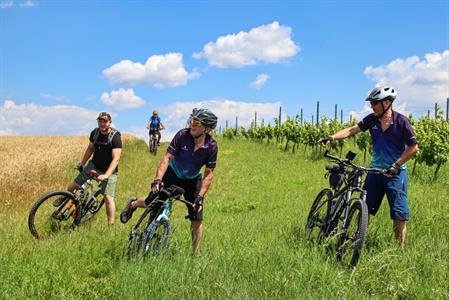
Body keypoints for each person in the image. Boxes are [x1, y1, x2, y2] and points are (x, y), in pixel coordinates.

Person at [318, 86, 418, 249]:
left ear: (386, 103)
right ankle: (359, 242)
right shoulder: (371, 120)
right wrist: (332, 137)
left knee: (399, 214)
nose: (371, 106)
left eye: (374, 103)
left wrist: (397, 165)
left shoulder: (401, 122)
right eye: (371, 103)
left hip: (396, 174)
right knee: (365, 209)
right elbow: (352, 130)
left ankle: (399, 251)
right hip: (374, 173)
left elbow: (413, 147)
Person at [121, 108, 218, 254]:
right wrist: (158, 179)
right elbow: (166, 158)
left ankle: (195, 254)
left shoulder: (211, 146)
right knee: (152, 202)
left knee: (197, 216)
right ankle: (133, 204)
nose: (192, 124)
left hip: (192, 179)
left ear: (207, 128)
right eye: (192, 120)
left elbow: (209, 174)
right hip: (173, 173)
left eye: (196, 122)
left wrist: (200, 197)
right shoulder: (182, 135)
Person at [53, 112, 122, 225]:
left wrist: (106, 175)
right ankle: (65, 199)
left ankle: (111, 225)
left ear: (110, 122)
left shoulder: (115, 137)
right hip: (94, 165)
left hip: (109, 171)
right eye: (100, 121)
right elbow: (90, 149)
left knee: (108, 198)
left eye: (105, 121)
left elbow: (116, 159)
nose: (102, 124)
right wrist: (82, 163)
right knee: (72, 186)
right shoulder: (95, 133)